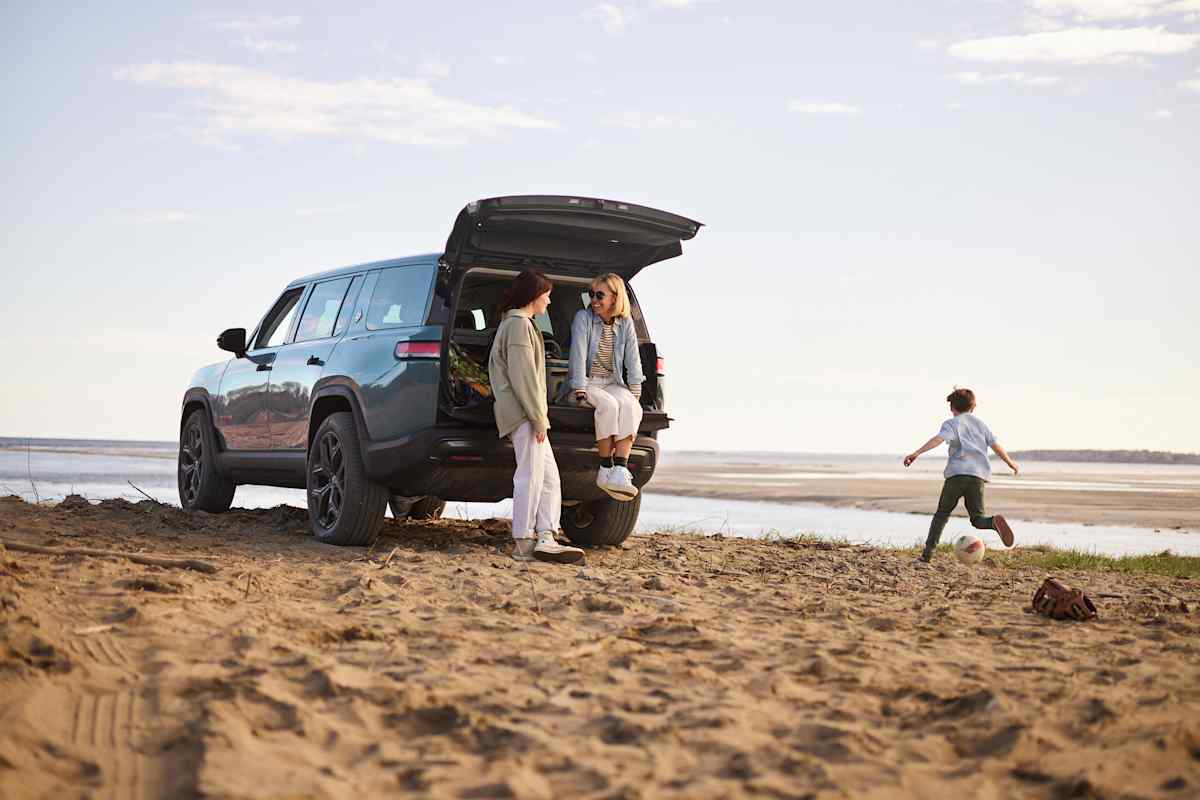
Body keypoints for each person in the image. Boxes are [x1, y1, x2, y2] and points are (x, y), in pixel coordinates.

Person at [488, 269, 584, 564]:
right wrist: (538, 419)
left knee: (549, 478)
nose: (549, 301)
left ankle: (545, 535)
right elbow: (524, 378)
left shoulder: (521, 324)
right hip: (524, 415)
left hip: (529, 414)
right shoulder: (518, 326)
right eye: (547, 295)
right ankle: (523, 541)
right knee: (530, 476)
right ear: (533, 296)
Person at [904, 388, 1019, 563]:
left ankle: (927, 556)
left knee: (941, 515)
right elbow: (996, 446)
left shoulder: (952, 423)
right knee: (978, 519)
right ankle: (993, 521)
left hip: (957, 475)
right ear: (973, 407)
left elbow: (938, 439)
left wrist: (916, 453)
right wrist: (1011, 463)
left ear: (952, 407)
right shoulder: (981, 425)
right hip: (978, 477)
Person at [567, 273, 645, 501]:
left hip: (612, 381)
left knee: (632, 408)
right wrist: (579, 388)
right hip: (588, 381)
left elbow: (633, 358)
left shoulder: (626, 323)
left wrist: (635, 389)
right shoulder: (583, 318)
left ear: (615, 297)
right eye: (591, 294)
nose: (594, 300)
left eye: (600, 295)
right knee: (609, 406)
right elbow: (578, 355)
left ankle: (620, 470)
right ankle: (605, 468)